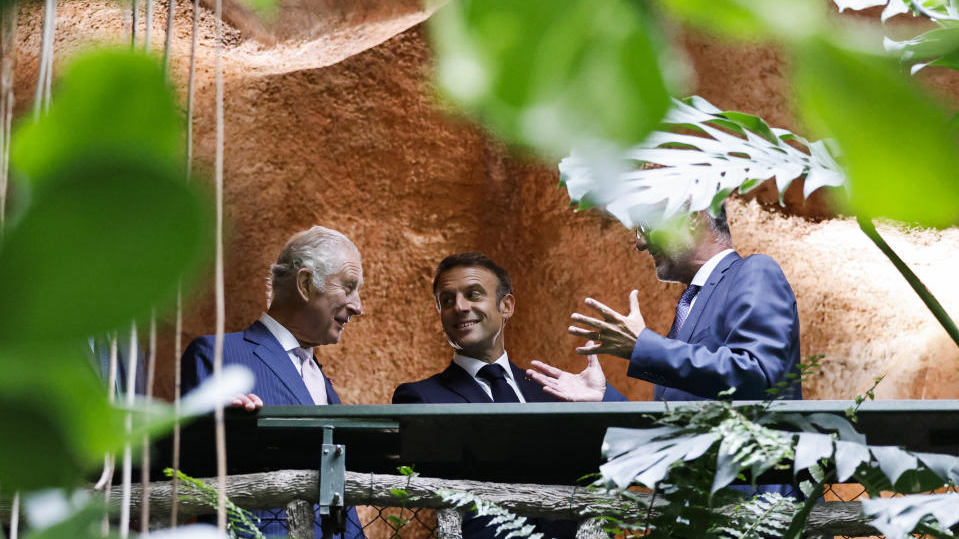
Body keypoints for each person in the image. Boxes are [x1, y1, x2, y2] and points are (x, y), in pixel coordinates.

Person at [392, 252, 625, 539]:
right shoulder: (420, 397)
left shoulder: (553, 392)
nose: (460, 307)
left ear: (507, 306)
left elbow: (621, 457)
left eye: (473, 294)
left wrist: (603, 398)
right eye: (447, 300)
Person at [181, 226, 366, 539]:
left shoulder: (319, 376)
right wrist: (213, 424)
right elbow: (188, 465)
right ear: (306, 284)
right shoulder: (218, 354)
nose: (358, 306)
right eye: (349, 287)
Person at [536, 206, 801, 402]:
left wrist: (644, 346)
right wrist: (604, 399)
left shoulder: (755, 270)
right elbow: (675, 429)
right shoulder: (690, 305)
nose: (639, 243)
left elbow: (756, 375)